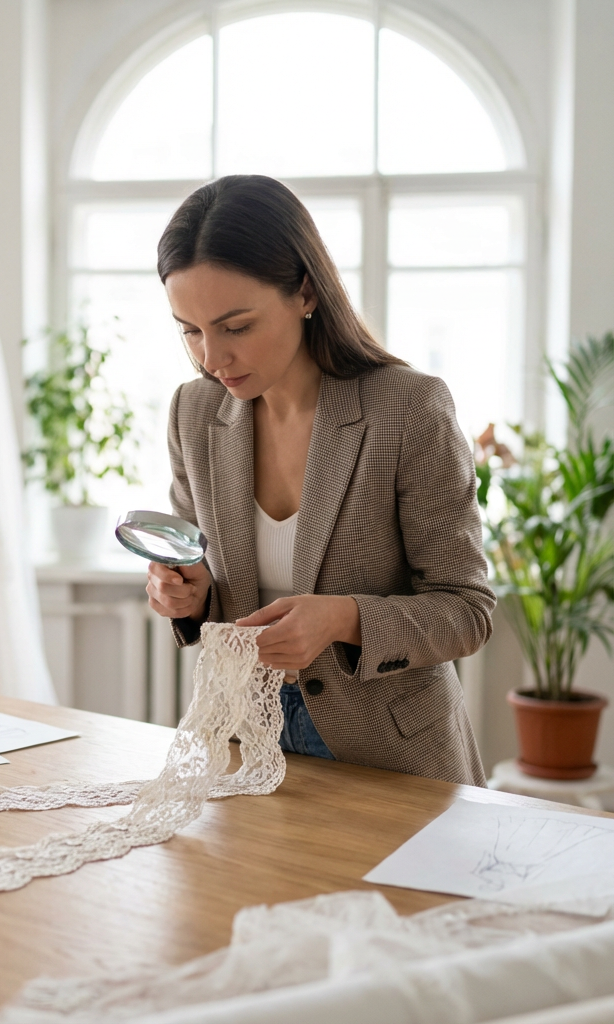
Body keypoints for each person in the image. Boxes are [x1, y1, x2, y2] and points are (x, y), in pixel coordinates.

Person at [145, 175, 494, 787]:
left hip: (392, 757)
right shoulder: (193, 413)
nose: (210, 358)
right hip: (243, 739)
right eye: (190, 329)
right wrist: (185, 594)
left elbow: (467, 610)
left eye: (235, 326)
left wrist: (340, 620)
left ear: (305, 291)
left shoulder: (409, 408)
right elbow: (201, 573)